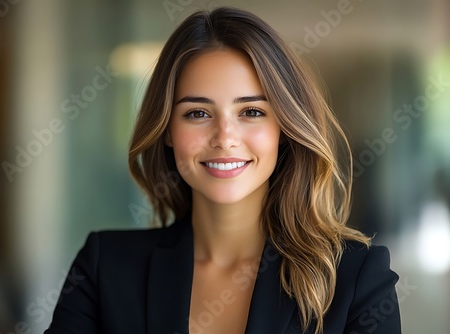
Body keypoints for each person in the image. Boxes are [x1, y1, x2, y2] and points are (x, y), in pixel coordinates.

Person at [45, 6, 401, 334]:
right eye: (197, 113)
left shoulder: (356, 278)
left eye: (251, 112)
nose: (224, 138)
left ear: (285, 128)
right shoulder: (104, 268)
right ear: (168, 130)